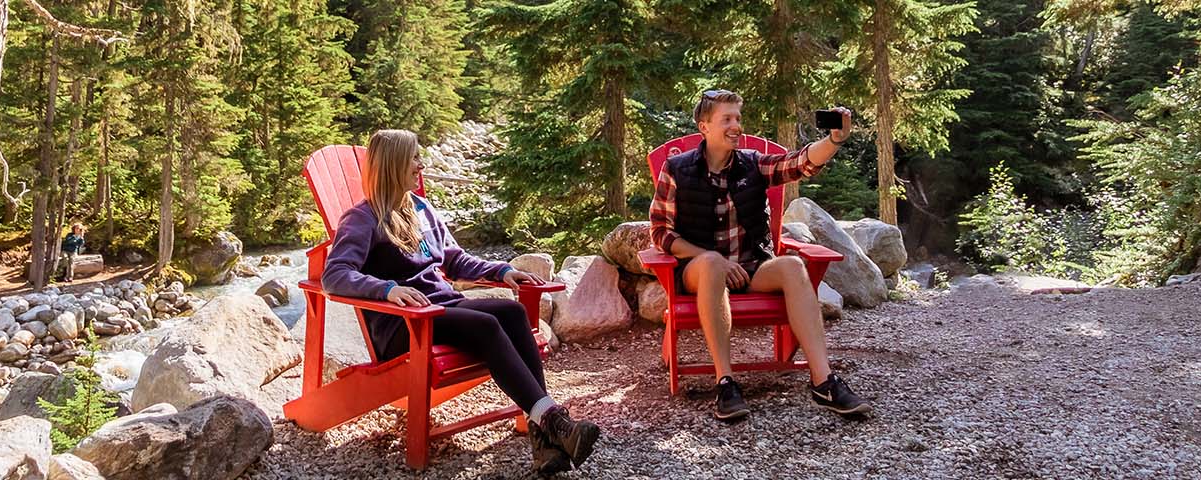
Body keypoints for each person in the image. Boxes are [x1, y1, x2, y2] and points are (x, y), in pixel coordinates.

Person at [322, 129, 601, 475]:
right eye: (414, 158)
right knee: (484, 326)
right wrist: (388, 289)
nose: (420, 165)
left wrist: (502, 272)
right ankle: (556, 423)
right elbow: (334, 275)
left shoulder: (420, 208)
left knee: (512, 312)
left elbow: (454, 260)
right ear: (394, 164)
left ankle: (544, 438)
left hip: (441, 306)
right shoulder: (362, 218)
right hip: (405, 324)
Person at [648, 89, 876, 421]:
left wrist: (834, 140)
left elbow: (800, 163)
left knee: (794, 266)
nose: (736, 126)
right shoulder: (676, 169)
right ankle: (726, 383)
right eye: (726, 119)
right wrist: (715, 260)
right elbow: (660, 233)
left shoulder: (753, 164)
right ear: (704, 126)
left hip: (751, 267)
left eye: (738, 118)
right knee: (712, 262)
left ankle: (823, 381)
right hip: (701, 272)